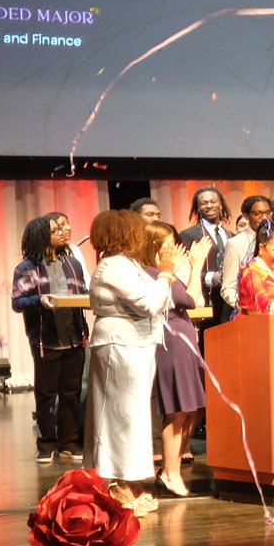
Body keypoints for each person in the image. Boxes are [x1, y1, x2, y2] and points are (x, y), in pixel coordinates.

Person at [84, 209, 175, 517]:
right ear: (126, 234)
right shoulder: (112, 267)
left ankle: (130, 479)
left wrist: (165, 277)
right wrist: (165, 274)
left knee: (133, 417)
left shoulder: (127, 264)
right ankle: (117, 481)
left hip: (135, 345)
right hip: (119, 346)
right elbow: (150, 303)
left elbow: (160, 301)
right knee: (119, 417)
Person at [140, 222, 211, 497]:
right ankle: (170, 473)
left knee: (195, 408)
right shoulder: (152, 273)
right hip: (171, 344)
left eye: (173, 242)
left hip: (184, 339)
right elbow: (191, 299)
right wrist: (196, 265)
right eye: (167, 244)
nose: (173, 249)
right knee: (179, 410)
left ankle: (173, 466)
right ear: (153, 247)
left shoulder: (166, 273)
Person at [12, 215, 90, 463]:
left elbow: (83, 293)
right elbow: (17, 302)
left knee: (72, 392)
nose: (62, 231)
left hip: (74, 338)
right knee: (46, 394)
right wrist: (39, 300)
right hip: (47, 341)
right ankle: (46, 443)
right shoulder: (26, 268)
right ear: (40, 235)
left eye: (62, 227)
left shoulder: (72, 263)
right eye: (55, 229)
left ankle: (69, 442)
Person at [179, 187, 233, 352]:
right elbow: (182, 271)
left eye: (212, 201)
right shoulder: (188, 235)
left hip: (229, 303)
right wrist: (209, 277)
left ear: (221, 205)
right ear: (198, 208)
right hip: (206, 302)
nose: (209, 206)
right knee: (209, 349)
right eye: (204, 203)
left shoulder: (231, 235)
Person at [223, 195, 274, 321]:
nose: (264, 217)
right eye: (258, 213)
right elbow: (228, 287)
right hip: (250, 318)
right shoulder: (235, 244)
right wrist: (247, 306)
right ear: (246, 216)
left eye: (267, 213)